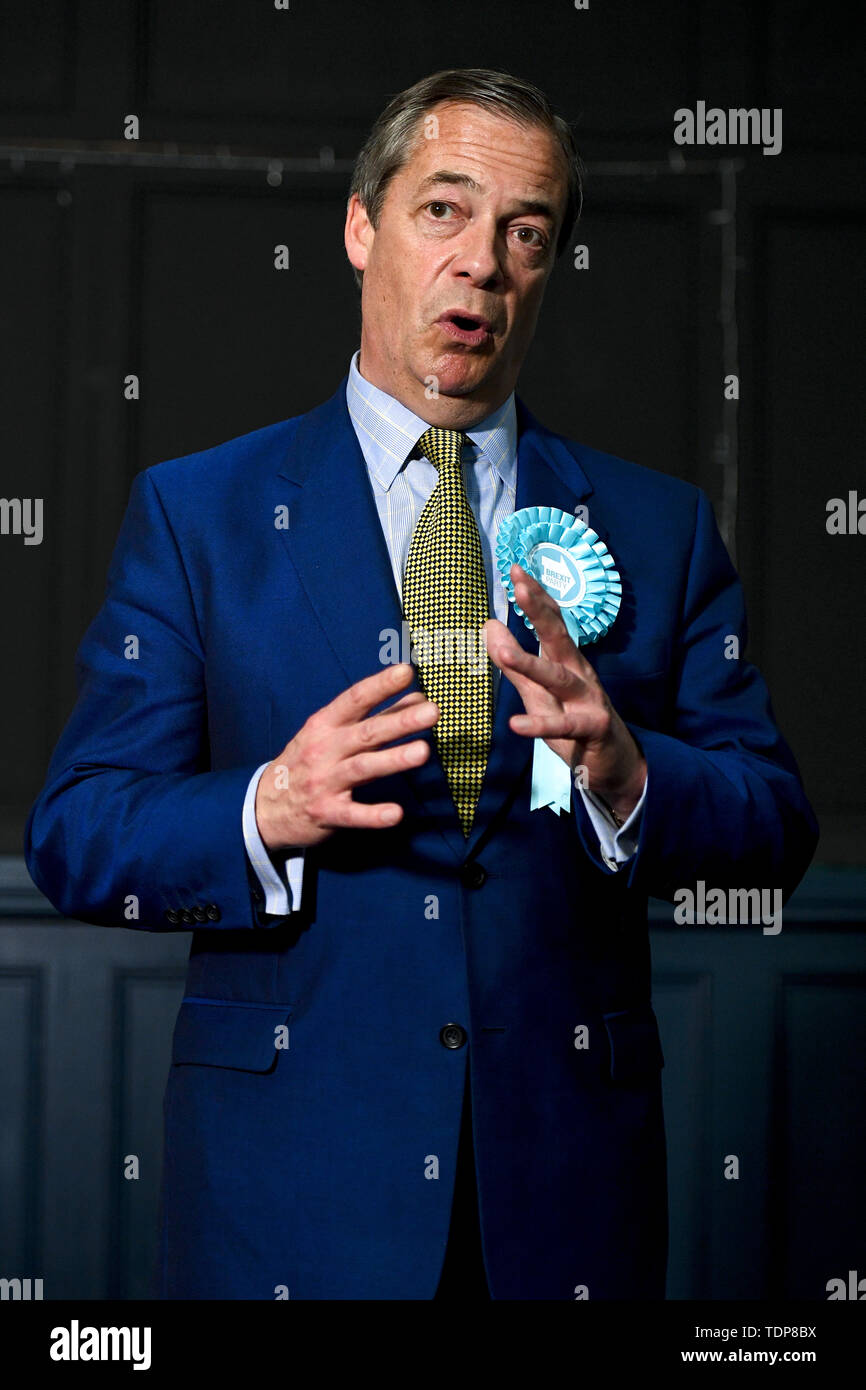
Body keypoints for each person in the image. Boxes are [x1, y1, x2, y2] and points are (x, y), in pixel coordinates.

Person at [24, 68, 818, 1300]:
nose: (484, 265)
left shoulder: (659, 532)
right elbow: (80, 833)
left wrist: (626, 772)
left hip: (560, 1201)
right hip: (287, 1198)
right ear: (359, 228)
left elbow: (772, 824)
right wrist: (266, 806)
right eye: (443, 211)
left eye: (527, 232)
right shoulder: (198, 516)